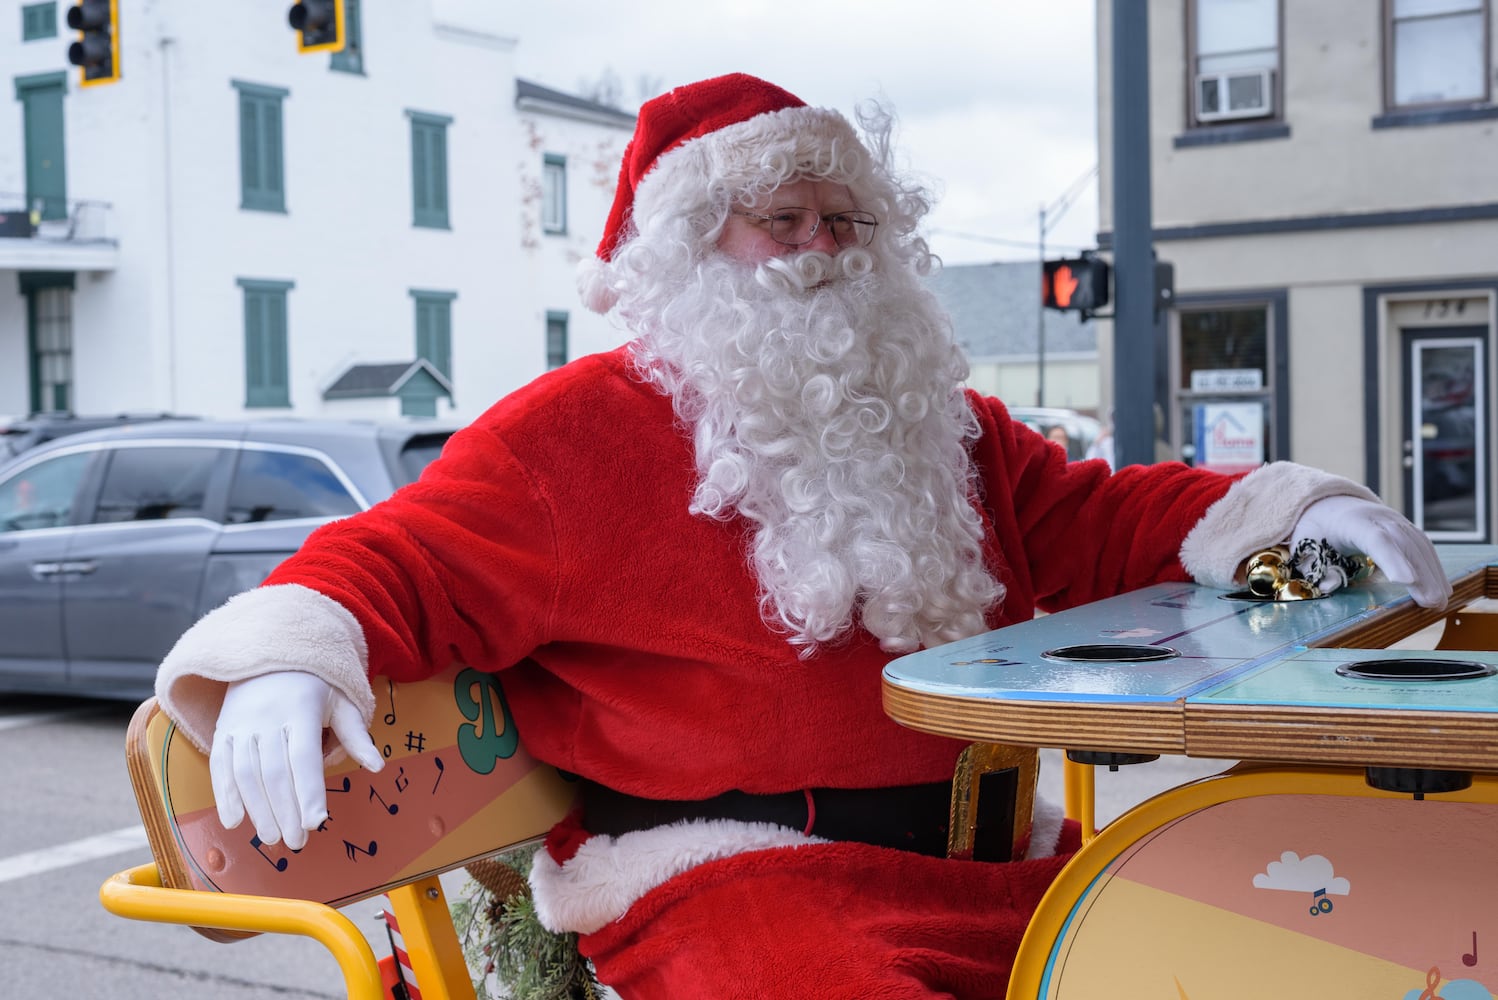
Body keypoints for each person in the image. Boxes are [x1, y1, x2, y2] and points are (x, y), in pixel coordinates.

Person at [155, 74, 1450, 999]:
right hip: (734, 887)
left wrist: (1288, 523)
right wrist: (283, 656)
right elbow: (401, 561)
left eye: (848, 220)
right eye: (783, 219)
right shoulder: (579, 432)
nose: (824, 249)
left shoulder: (943, 422)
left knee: (1273, 944)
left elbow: (1104, 520)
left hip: (1005, 860)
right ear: (685, 250)